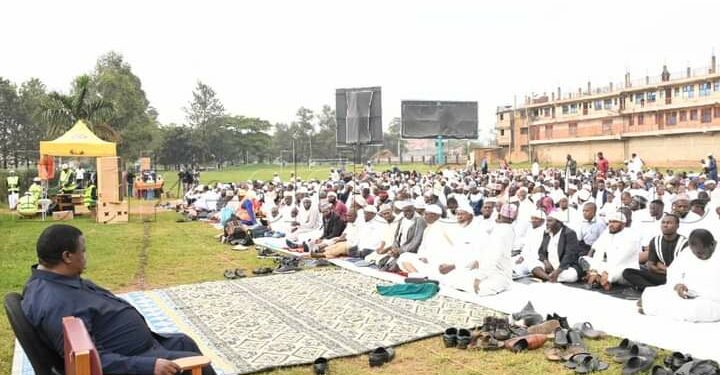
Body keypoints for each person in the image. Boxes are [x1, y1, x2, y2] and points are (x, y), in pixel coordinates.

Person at [22, 225, 216, 375]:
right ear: (67, 256)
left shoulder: (58, 281)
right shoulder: (57, 304)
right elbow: (86, 363)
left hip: (141, 347)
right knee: (198, 364)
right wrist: (147, 366)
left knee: (183, 341)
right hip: (130, 362)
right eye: (83, 250)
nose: (85, 255)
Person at [640, 229, 720, 322]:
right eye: (694, 253)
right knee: (651, 294)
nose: (697, 256)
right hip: (687, 294)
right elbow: (674, 271)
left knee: (695, 309)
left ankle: (657, 309)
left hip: (712, 300)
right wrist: (678, 285)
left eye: (700, 253)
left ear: (712, 244)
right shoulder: (687, 252)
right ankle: (659, 308)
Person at [622, 214, 687, 291]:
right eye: (663, 222)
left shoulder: (685, 243)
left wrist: (662, 267)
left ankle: (651, 289)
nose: (665, 225)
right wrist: (663, 268)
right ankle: (653, 290)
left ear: (677, 226)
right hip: (661, 277)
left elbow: (685, 270)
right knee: (627, 272)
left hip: (678, 279)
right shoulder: (655, 241)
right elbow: (651, 266)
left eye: (669, 223)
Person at [582, 212, 641, 290]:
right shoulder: (607, 233)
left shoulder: (632, 236)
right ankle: (598, 277)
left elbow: (620, 259)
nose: (611, 224)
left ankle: (602, 279)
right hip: (608, 266)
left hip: (623, 269)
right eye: (610, 222)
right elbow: (598, 253)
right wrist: (594, 270)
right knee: (584, 259)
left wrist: (605, 272)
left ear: (623, 224)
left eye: (615, 222)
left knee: (616, 273)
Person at [531, 211, 582, 283]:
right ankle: (549, 278)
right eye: (547, 220)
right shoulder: (547, 233)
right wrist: (546, 262)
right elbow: (541, 251)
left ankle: (548, 276)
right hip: (549, 266)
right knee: (532, 263)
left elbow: (569, 255)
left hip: (565, 267)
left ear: (559, 223)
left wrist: (558, 271)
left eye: (550, 221)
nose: (547, 223)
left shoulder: (569, 233)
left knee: (571, 275)